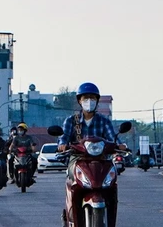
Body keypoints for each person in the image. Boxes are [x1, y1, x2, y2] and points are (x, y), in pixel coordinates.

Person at [58, 82, 126, 225]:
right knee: (74, 184)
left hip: (102, 161)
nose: (89, 101)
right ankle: (72, 217)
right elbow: (63, 138)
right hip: (77, 160)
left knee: (112, 184)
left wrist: (120, 145)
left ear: (97, 101)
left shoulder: (104, 121)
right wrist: (62, 145)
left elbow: (112, 137)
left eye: (92, 98)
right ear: (79, 101)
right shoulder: (71, 121)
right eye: (85, 98)